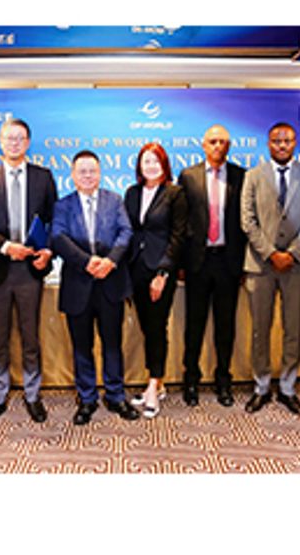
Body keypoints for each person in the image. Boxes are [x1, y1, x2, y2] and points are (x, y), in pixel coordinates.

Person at [0, 118, 57, 425]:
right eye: (9, 138)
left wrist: (48, 251)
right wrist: (7, 247)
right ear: (1, 142)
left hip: (30, 271)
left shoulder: (43, 177)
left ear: (28, 142)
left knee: (30, 337)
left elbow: (54, 220)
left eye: (20, 138)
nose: (15, 143)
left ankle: (33, 395)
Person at [51, 150, 139, 425]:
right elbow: (58, 237)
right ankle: (87, 398)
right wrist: (87, 262)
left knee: (113, 343)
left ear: (100, 173)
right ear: (73, 175)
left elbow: (126, 232)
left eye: (92, 171)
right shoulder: (63, 205)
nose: (88, 176)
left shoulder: (114, 200)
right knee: (82, 346)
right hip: (78, 285)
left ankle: (115, 396)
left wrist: (110, 261)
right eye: (82, 171)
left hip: (110, 283)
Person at [241, 122, 300, 416]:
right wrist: (271, 253)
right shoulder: (253, 176)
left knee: (293, 328)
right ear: (268, 143)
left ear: (294, 142)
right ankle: (261, 386)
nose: (282, 145)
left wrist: (294, 253)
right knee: (260, 330)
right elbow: (247, 220)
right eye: (276, 140)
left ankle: (287, 388)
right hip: (261, 264)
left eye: (287, 140)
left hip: (296, 267)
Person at [178, 125, 246, 407]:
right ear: (203, 145)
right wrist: (180, 263)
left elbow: (244, 223)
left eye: (223, 142)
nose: (218, 146)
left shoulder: (241, 176)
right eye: (213, 141)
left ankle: (223, 380)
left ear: (229, 146)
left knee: (225, 326)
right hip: (198, 262)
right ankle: (191, 379)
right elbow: (181, 221)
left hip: (228, 262)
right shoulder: (188, 176)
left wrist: (243, 264)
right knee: (194, 326)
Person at [124, 143, 187, 418]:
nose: (151, 166)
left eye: (156, 161)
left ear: (164, 165)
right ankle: (157, 382)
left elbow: (178, 236)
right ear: (139, 165)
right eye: (146, 161)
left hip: (160, 270)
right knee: (146, 327)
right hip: (135, 268)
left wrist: (163, 273)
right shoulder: (132, 192)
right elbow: (127, 231)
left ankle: (153, 386)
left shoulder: (175, 194)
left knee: (157, 326)